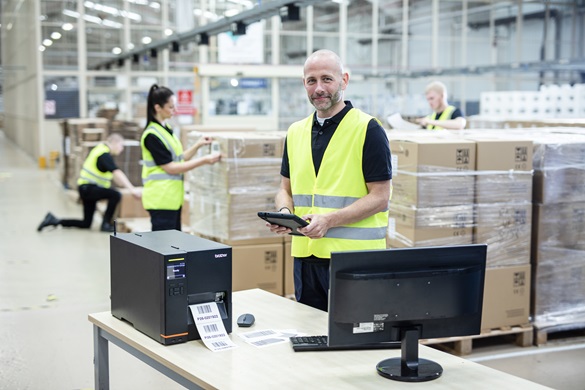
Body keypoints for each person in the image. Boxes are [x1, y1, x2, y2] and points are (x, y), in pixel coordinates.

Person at [267, 49, 392, 311]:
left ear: (344, 80)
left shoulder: (368, 129)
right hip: (305, 257)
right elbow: (284, 189)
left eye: (327, 79)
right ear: (304, 84)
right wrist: (284, 214)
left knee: (353, 340)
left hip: (352, 260)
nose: (319, 88)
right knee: (308, 335)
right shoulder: (295, 132)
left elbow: (381, 197)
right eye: (311, 80)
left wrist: (329, 220)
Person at [141, 84, 221, 231]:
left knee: (173, 245)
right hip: (161, 199)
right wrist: (204, 160)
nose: (175, 110)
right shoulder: (151, 136)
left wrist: (198, 145)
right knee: (164, 248)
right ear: (158, 108)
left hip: (172, 199)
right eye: (171, 107)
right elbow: (171, 168)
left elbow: (178, 158)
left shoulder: (166, 130)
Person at [37, 133, 140, 233]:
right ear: (115, 142)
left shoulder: (100, 150)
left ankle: (54, 220)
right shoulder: (103, 154)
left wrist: (124, 185)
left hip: (86, 189)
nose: (121, 149)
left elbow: (115, 177)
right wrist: (132, 189)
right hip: (89, 189)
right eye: (121, 146)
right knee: (115, 195)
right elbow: (116, 172)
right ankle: (105, 224)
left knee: (86, 223)